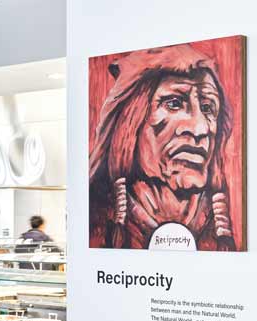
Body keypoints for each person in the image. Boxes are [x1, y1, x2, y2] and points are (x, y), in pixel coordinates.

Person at [89, 44, 237, 251]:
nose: (200, 128)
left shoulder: (225, 227)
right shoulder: (95, 222)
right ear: (129, 126)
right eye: (174, 103)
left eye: (207, 108)